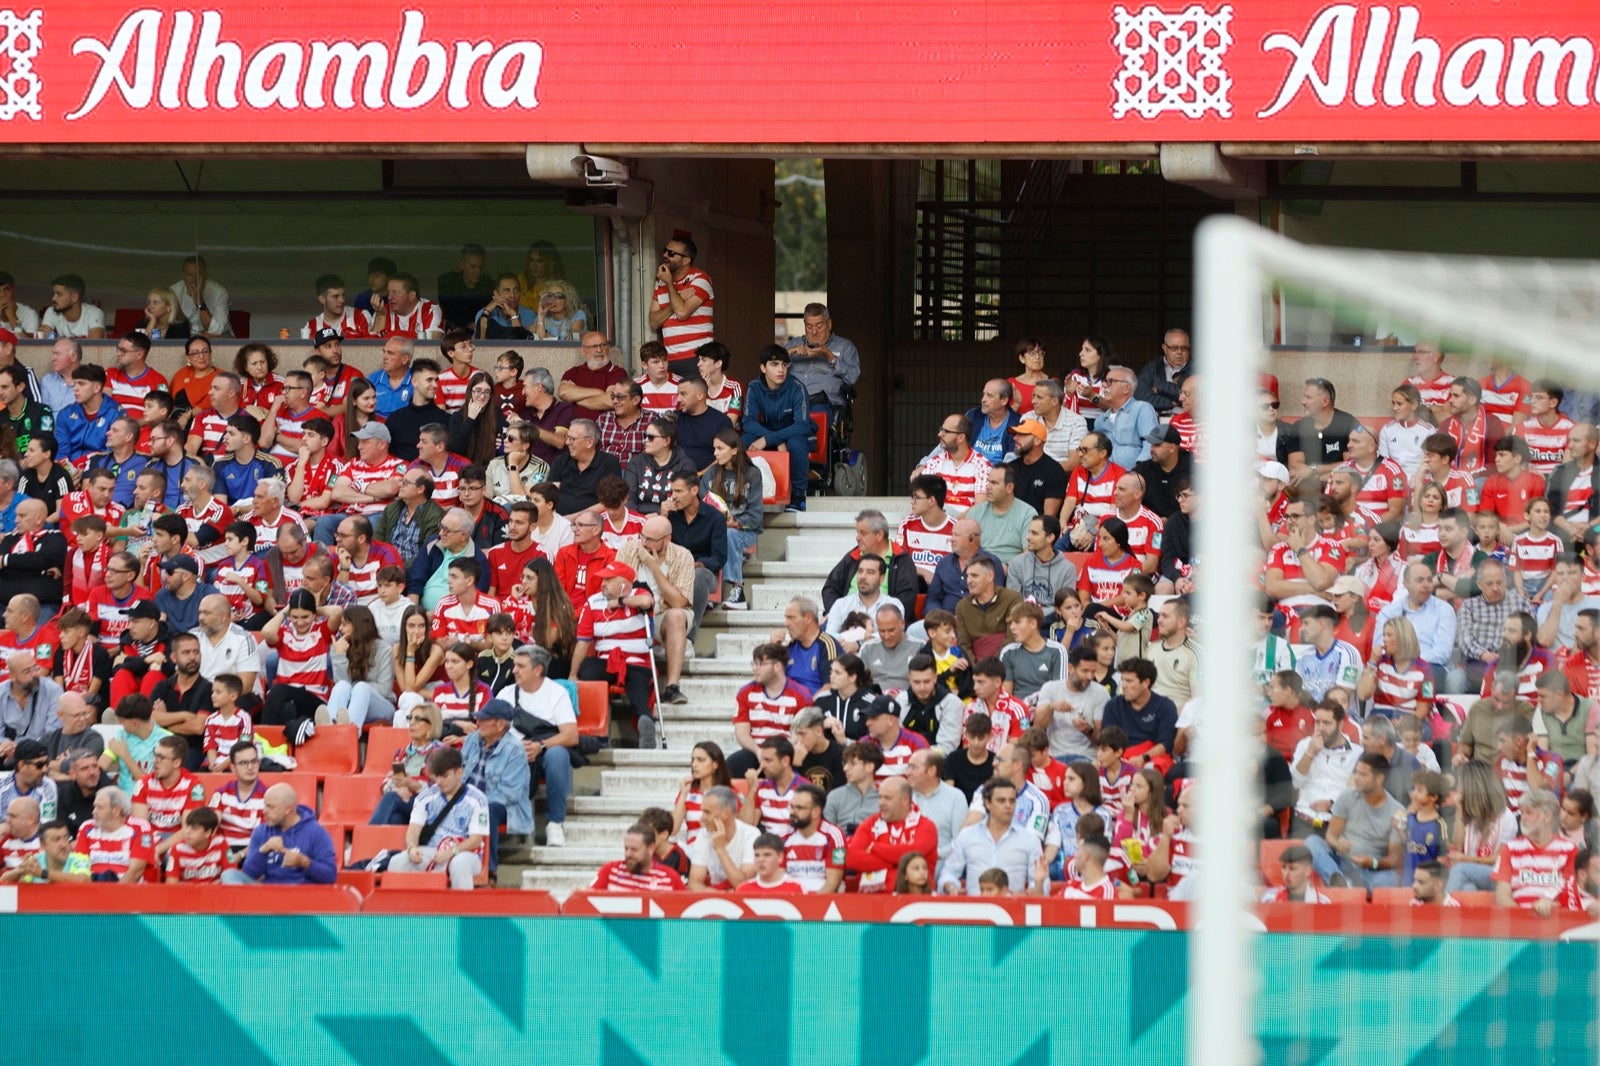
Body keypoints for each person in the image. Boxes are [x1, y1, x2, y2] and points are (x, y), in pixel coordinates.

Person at [571, 561, 659, 748]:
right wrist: (573, 674)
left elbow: (646, 603)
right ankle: (594, 733)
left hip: (637, 661)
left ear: (624, 585)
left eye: (609, 580)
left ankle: (646, 724)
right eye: (603, 579)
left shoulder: (639, 594)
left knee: (638, 685)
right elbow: (582, 643)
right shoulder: (593, 602)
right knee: (588, 670)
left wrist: (620, 602)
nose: (603, 583)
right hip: (605, 661)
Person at [384, 747, 491, 890]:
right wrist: (411, 847)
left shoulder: (478, 799)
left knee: (460, 864)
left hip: (464, 853)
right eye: (437, 776)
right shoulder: (425, 797)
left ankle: (462, 909)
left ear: (459, 772)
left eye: (445, 776)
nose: (439, 781)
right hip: (432, 851)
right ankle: (399, 910)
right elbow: (414, 829)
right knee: (399, 861)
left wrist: (451, 852)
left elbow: (475, 840)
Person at [1304, 753, 1405, 890]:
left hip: (1371, 870)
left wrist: (1372, 862)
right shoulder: (1347, 796)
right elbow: (1330, 836)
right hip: (1341, 862)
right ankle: (1338, 882)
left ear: (1379, 779)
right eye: (1356, 773)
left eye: (1362, 775)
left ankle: (1346, 887)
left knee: (1389, 880)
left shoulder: (1396, 811)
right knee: (1312, 842)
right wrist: (1337, 843)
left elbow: (1394, 859)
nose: (1356, 778)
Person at [942, 777, 1042, 896]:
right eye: (1001, 800)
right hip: (973, 908)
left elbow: (1040, 883)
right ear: (987, 803)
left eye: (1012, 801)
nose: (1008, 805)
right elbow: (949, 872)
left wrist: (1025, 895)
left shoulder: (1030, 840)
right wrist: (951, 887)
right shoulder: (967, 835)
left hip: (1013, 909)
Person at [741, 346, 813, 512]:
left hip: (795, 434)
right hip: (768, 434)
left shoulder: (797, 387)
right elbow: (748, 422)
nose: (781, 370)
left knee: (796, 443)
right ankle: (743, 491)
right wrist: (774, 439)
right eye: (774, 364)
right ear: (763, 367)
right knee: (743, 441)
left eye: (784, 365)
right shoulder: (754, 387)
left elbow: (802, 425)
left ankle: (798, 495)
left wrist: (768, 439)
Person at [221, 782, 336, 885]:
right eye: (265, 805)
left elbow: (330, 876)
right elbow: (249, 873)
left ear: (288, 810)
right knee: (229, 875)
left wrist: (304, 862)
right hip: (268, 894)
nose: (264, 811)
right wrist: (264, 850)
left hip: (302, 895)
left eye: (270, 807)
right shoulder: (261, 831)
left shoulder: (317, 832)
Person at [700, 429, 764, 610]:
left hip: (744, 531)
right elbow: (701, 506)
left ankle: (738, 591)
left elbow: (756, 517)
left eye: (720, 448)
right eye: (714, 449)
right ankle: (707, 593)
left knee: (728, 533)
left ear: (735, 450)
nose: (715, 453)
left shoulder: (752, 474)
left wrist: (734, 523)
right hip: (715, 530)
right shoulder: (711, 474)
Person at [846, 776, 939, 894]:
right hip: (871, 899)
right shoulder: (869, 824)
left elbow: (912, 855)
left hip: (914, 900)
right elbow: (852, 859)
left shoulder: (926, 826)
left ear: (905, 800)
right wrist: (896, 864)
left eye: (887, 798)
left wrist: (874, 848)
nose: (881, 803)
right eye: (880, 797)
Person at [1492, 788, 1579, 912]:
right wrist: (1522, 918)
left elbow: (1570, 892)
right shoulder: (1510, 849)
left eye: (1529, 813)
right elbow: (1502, 895)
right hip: (1520, 922)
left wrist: (1548, 901)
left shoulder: (1570, 850)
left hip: (1556, 920)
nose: (1523, 818)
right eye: (1522, 812)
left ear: (1547, 816)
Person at [650, 236, 714, 371]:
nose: (664, 255)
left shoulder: (700, 278)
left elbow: (682, 313)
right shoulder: (661, 282)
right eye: (665, 251)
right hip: (670, 358)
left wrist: (669, 283)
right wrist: (678, 297)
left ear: (686, 260)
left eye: (671, 253)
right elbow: (654, 322)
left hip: (698, 357)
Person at [912, 413, 991, 518]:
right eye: (941, 429)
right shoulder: (934, 463)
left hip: (966, 528)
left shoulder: (982, 465)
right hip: (937, 524)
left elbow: (980, 508)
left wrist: (954, 524)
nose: (940, 434)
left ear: (961, 438)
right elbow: (922, 502)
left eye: (946, 431)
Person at [1289, 377, 1361, 488]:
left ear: (1325, 401)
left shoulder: (1347, 423)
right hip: (1307, 486)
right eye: (1304, 396)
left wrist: (1313, 470)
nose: (1302, 402)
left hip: (1337, 485)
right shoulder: (1299, 426)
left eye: (1308, 397)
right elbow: (1295, 466)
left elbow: (1352, 464)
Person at [69, 786, 151, 882]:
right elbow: (80, 865)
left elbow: (136, 871)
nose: (93, 812)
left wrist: (113, 894)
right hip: (92, 889)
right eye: (94, 807)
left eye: (99, 808)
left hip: (127, 891)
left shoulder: (141, 828)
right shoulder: (86, 828)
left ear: (116, 811)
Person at [688, 784, 759, 890]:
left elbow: (743, 885)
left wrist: (720, 849)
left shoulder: (750, 835)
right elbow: (693, 884)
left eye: (707, 812)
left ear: (725, 813)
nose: (701, 818)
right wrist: (720, 897)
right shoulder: (704, 835)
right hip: (718, 897)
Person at [591, 822, 688, 891]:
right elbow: (587, 903)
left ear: (651, 849)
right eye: (626, 848)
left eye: (634, 850)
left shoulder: (669, 878)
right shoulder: (610, 871)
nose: (628, 854)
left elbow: (686, 912)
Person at [1007, 418, 1070, 517]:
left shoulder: (1054, 471)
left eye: (1022, 434)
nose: (1015, 438)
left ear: (1037, 441)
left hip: (1036, 528)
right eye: (1016, 434)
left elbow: (1048, 517)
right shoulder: (1010, 468)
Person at [1134, 328, 1193, 416]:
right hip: (1154, 420)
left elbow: (1194, 396)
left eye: (1184, 348)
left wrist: (1160, 387)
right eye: (1174, 348)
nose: (1179, 352)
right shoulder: (1152, 368)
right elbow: (1140, 395)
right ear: (1164, 348)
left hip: (1186, 422)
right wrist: (1171, 402)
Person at [170, 256, 231, 337]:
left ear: (205, 274)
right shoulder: (174, 291)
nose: (194, 279)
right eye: (190, 275)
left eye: (198, 274)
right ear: (184, 276)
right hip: (186, 335)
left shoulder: (219, 293)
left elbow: (217, 330)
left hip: (216, 336)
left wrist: (200, 302)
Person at [39, 274, 106, 339]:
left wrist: (56, 337)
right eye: (54, 293)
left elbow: (93, 345)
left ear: (74, 297)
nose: (53, 298)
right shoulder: (51, 312)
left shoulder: (94, 313)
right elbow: (41, 339)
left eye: (59, 294)